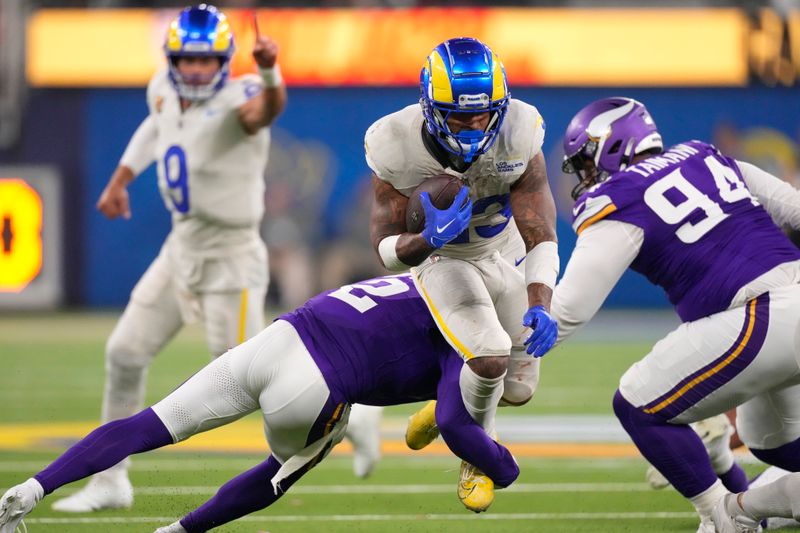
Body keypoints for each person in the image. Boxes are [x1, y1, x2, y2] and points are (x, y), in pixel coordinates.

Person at [0, 274, 520, 533]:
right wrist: (503, 465)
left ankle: (29, 489)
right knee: (279, 474)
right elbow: (456, 421)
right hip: (316, 385)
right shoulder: (471, 330)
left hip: (280, 337)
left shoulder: (430, 276)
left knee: (147, 423)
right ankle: (178, 532)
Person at [47, 4, 289, 513]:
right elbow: (158, 126)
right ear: (172, 58)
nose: (196, 70)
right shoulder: (162, 85)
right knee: (124, 353)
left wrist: (268, 69)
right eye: (186, 59)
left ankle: (350, 415)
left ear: (224, 59)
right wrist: (120, 178)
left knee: (251, 379)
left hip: (231, 255)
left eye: (206, 60)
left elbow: (266, 110)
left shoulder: (241, 95)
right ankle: (110, 480)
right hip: (180, 248)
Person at [551, 96, 800, 532]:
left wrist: (492, 353)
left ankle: (723, 517)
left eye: (587, 163)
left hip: (761, 316)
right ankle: (749, 506)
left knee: (637, 404)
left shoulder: (617, 199)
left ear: (611, 148)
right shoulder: (708, 156)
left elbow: (568, 311)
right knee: (769, 438)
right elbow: (795, 211)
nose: (587, 177)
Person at [364, 37, 559, 511]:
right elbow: (385, 249)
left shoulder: (519, 129)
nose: (473, 126)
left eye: (482, 115)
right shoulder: (394, 142)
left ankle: (444, 405)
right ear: (430, 108)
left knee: (518, 388)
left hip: (503, 250)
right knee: (490, 356)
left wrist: (540, 302)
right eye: (459, 116)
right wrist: (426, 240)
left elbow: (539, 229)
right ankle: (478, 455)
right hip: (443, 258)